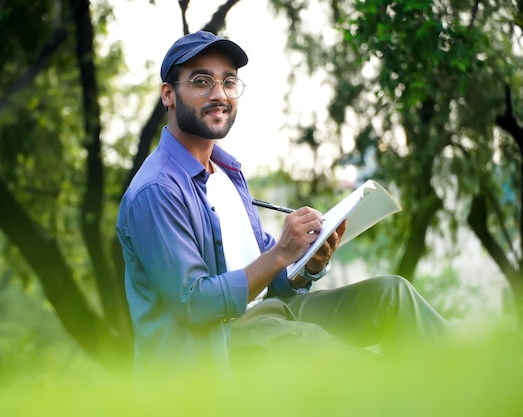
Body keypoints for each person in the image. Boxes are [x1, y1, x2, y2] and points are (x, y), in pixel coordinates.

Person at [116, 30, 449, 376]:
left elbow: (271, 278)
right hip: (221, 344)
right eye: (202, 82)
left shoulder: (228, 174)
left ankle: (484, 383)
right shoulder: (156, 190)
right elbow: (195, 303)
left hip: (272, 312)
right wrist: (279, 254)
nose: (219, 94)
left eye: (229, 82)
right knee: (357, 367)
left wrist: (309, 262)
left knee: (393, 296)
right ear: (168, 94)